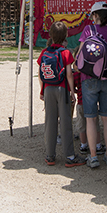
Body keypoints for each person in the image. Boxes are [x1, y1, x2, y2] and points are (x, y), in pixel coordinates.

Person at [38, 21, 86, 168]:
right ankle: (70, 156)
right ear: (65, 35)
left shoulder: (44, 52)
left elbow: (40, 74)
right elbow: (69, 74)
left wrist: (42, 91)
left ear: (51, 35)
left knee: (50, 122)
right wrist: (72, 92)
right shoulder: (65, 53)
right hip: (62, 89)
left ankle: (50, 155)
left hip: (48, 89)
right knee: (66, 123)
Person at [77, 1, 107, 169]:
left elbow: (81, 53)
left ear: (94, 15)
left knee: (90, 118)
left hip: (88, 79)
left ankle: (93, 156)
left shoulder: (88, 30)